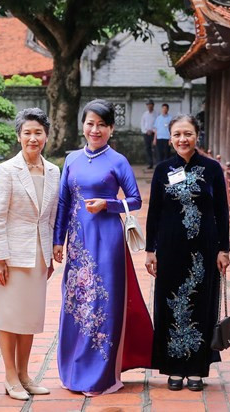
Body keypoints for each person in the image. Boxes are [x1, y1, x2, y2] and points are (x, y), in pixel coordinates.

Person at [53, 99, 153, 395]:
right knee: (76, 305)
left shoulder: (118, 161)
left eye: (101, 125)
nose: (95, 130)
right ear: (82, 125)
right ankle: (74, 370)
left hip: (108, 241)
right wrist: (59, 240)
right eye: (90, 123)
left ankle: (102, 375)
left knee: (102, 304)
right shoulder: (71, 159)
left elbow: (135, 200)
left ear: (110, 129)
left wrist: (107, 204)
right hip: (78, 244)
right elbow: (63, 202)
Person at [144, 114, 230, 392]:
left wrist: (224, 248)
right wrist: (150, 250)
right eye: (178, 134)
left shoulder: (212, 169)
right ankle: (172, 368)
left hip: (204, 249)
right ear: (170, 139)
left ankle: (196, 368)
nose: (183, 139)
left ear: (197, 137)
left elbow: (222, 212)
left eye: (188, 134)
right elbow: (154, 212)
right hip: (169, 249)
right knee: (169, 303)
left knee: (201, 303)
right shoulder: (162, 169)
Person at [0, 108, 61, 401]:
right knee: (9, 317)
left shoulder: (53, 171)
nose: (33, 138)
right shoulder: (6, 169)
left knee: (28, 318)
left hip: (39, 255)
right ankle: (9, 376)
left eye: (38, 132)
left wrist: (51, 252)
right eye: (27, 132)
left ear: (46, 136)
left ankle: (25, 373)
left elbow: (51, 216)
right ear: (19, 136)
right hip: (12, 256)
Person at [141, 99, 157, 169]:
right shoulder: (145, 114)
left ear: (153, 106)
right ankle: (150, 163)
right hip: (146, 133)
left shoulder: (156, 114)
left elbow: (157, 124)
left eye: (150, 105)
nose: (149, 106)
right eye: (148, 105)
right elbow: (142, 124)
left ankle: (156, 163)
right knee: (148, 148)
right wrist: (145, 131)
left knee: (155, 148)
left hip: (154, 133)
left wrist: (153, 130)